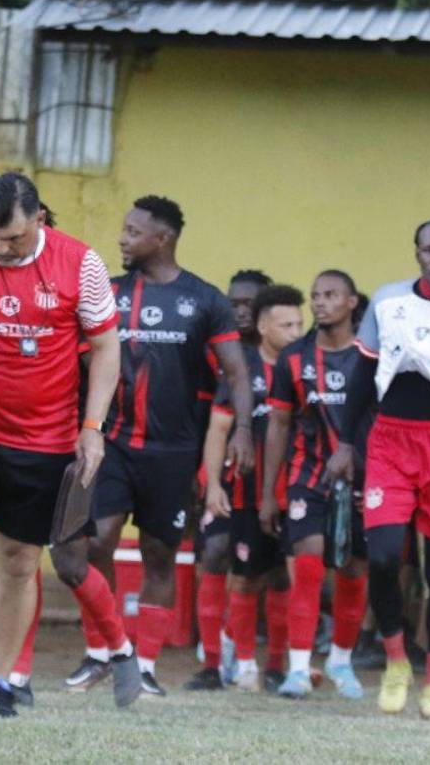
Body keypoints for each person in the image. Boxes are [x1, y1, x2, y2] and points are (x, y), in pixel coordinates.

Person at [40, 196, 254, 702]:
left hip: (174, 451)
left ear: (162, 239)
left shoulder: (204, 299)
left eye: (133, 232)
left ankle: (149, 665)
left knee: (160, 555)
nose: (122, 238)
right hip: (111, 442)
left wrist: (242, 429)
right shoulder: (107, 293)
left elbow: (237, 372)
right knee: (96, 545)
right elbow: (74, 361)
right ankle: (103, 652)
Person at [0, 172, 121, 719]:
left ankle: (0, 682)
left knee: (19, 559)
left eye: (12, 238)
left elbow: (106, 348)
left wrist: (92, 427)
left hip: (44, 437)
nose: (0, 248)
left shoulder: (81, 264)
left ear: (39, 220)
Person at [325, 219, 430, 721]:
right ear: (417, 253)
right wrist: (344, 442)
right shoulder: (388, 302)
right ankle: (398, 661)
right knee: (382, 558)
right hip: (390, 442)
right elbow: (361, 378)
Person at [260, 271, 371, 700]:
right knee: (307, 566)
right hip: (308, 477)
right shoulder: (294, 358)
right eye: (316, 297)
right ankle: (300, 669)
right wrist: (270, 492)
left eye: (331, 295)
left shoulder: (370, 357)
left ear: (351, 302)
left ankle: (341, 661)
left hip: (361, 479)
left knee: (353, 568)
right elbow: (279, 425)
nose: (321, 303)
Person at [206, 284, 303, 693]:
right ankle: (243, 662)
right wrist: (212, 484)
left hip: (296, 490)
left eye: (300, 324)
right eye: (287, 324)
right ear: (264, 327)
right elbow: (219, 427)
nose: (296, 332)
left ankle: (278, 665)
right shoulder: (242, 371)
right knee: (246, 578)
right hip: (247, 490)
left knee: (284, 579)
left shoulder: (305, 366)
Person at [191, 268, 272, 687]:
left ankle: (271, 662)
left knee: (263, 572)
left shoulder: (281, 358)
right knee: (214, 553)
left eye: (249, 304)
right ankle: (210, 662)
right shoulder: (213, 351)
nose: (240, 311)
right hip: (217, 470)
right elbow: (211, 422)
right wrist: (207, 479)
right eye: (233, 303)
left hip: (270, 484)